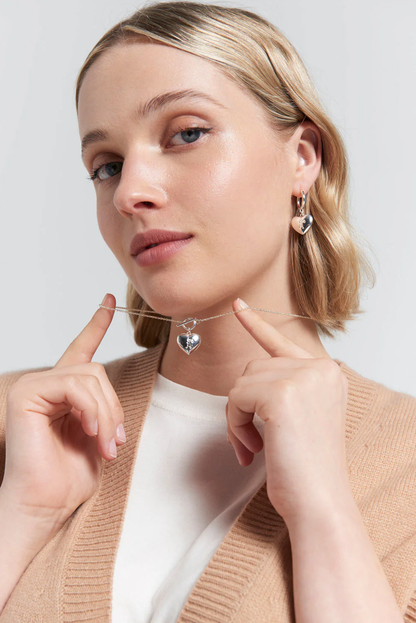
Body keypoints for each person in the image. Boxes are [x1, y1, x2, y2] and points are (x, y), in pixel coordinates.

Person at [0, 2, 415, 622]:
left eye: (187, 134)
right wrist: (24, 511)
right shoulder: (24, 422)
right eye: (106, 166)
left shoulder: (406, 463)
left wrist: (321, 505)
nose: (130, 193)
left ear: (302, 158)